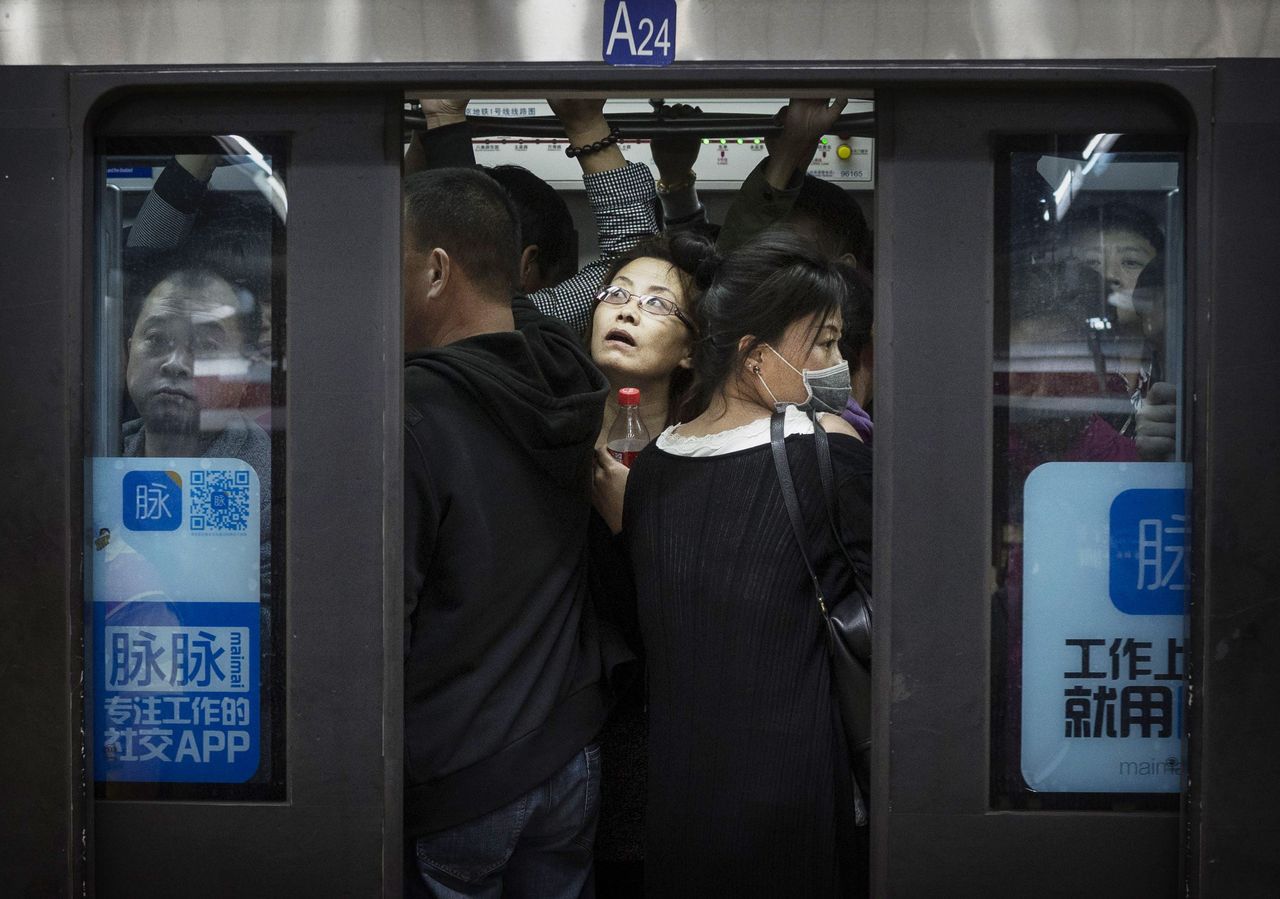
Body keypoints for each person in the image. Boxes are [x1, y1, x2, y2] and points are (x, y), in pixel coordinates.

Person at [622, 230, 871, 898]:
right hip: (794, 791)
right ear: (755, 357)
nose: (836, 361)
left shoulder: (651, 466)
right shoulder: (825, 452)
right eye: (822, 341)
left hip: (679, 797)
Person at [401, 166, 623, 898]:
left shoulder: (414, 410)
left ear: (436, 271)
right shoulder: (563, 370)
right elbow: (503, 296)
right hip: (566, 750)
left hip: (459, 770)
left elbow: (388, 615)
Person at [407, 96, 661, 333]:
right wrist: (585, 124)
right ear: (527, 263)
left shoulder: (391, 307)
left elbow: (393, 223)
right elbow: (629, 260)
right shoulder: (521, 326)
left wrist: (436, 123)